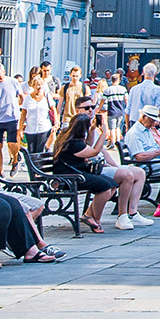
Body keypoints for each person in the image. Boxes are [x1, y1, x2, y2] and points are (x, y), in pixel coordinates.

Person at [52, 97, 123, 229]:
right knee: (105, 186)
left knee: (111, 185)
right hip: (70, 177)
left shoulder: (72, 138)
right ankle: (94, 218)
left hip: (77, 173)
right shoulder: (73, 143)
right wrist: (103, 134)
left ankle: (89, 215)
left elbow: (88, 147)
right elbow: (94, 151)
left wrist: (91, 132)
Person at [0, 61, 22, 179]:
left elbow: (21, 96)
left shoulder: (13, 82)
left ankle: (15, 160)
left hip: (11, 117)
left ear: (4, 72)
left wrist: (19, 108)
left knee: (11, 143)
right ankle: (1, 171)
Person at [21, 68, 55, 162]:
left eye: (41, 85)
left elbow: (53, 109)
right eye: (37, 85)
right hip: (30, 128)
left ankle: (40, 172)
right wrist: (20, 129)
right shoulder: (28, 98)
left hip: (43, 127)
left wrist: (56, 123)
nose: (39, 87)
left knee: (40, 152)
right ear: (33, 86)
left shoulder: (46, 96)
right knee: (31, 152)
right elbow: (23, 114)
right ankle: (32, 173)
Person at [104, 70, 128, 144]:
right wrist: (127, 107)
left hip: (112, 110)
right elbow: (126, 99)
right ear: (119, 80)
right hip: (120, 110)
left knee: (112, 128)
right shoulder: (123, 89)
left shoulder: (108, 89)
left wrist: (100, 107)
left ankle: (112, 143)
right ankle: (118, 142)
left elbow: (103, 99)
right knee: (118, 127)